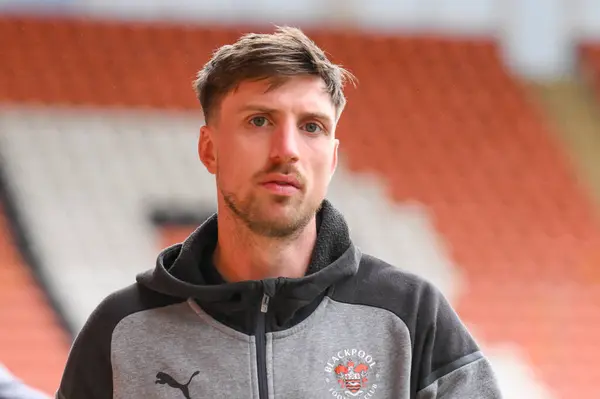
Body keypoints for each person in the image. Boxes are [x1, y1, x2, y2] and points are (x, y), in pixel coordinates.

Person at [56, 26, 501, 398]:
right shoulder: (122, 332)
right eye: (259, 121)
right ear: (209, 150)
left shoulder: (409, 316)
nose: (286, 151)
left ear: (332, 157)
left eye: (312, 127)